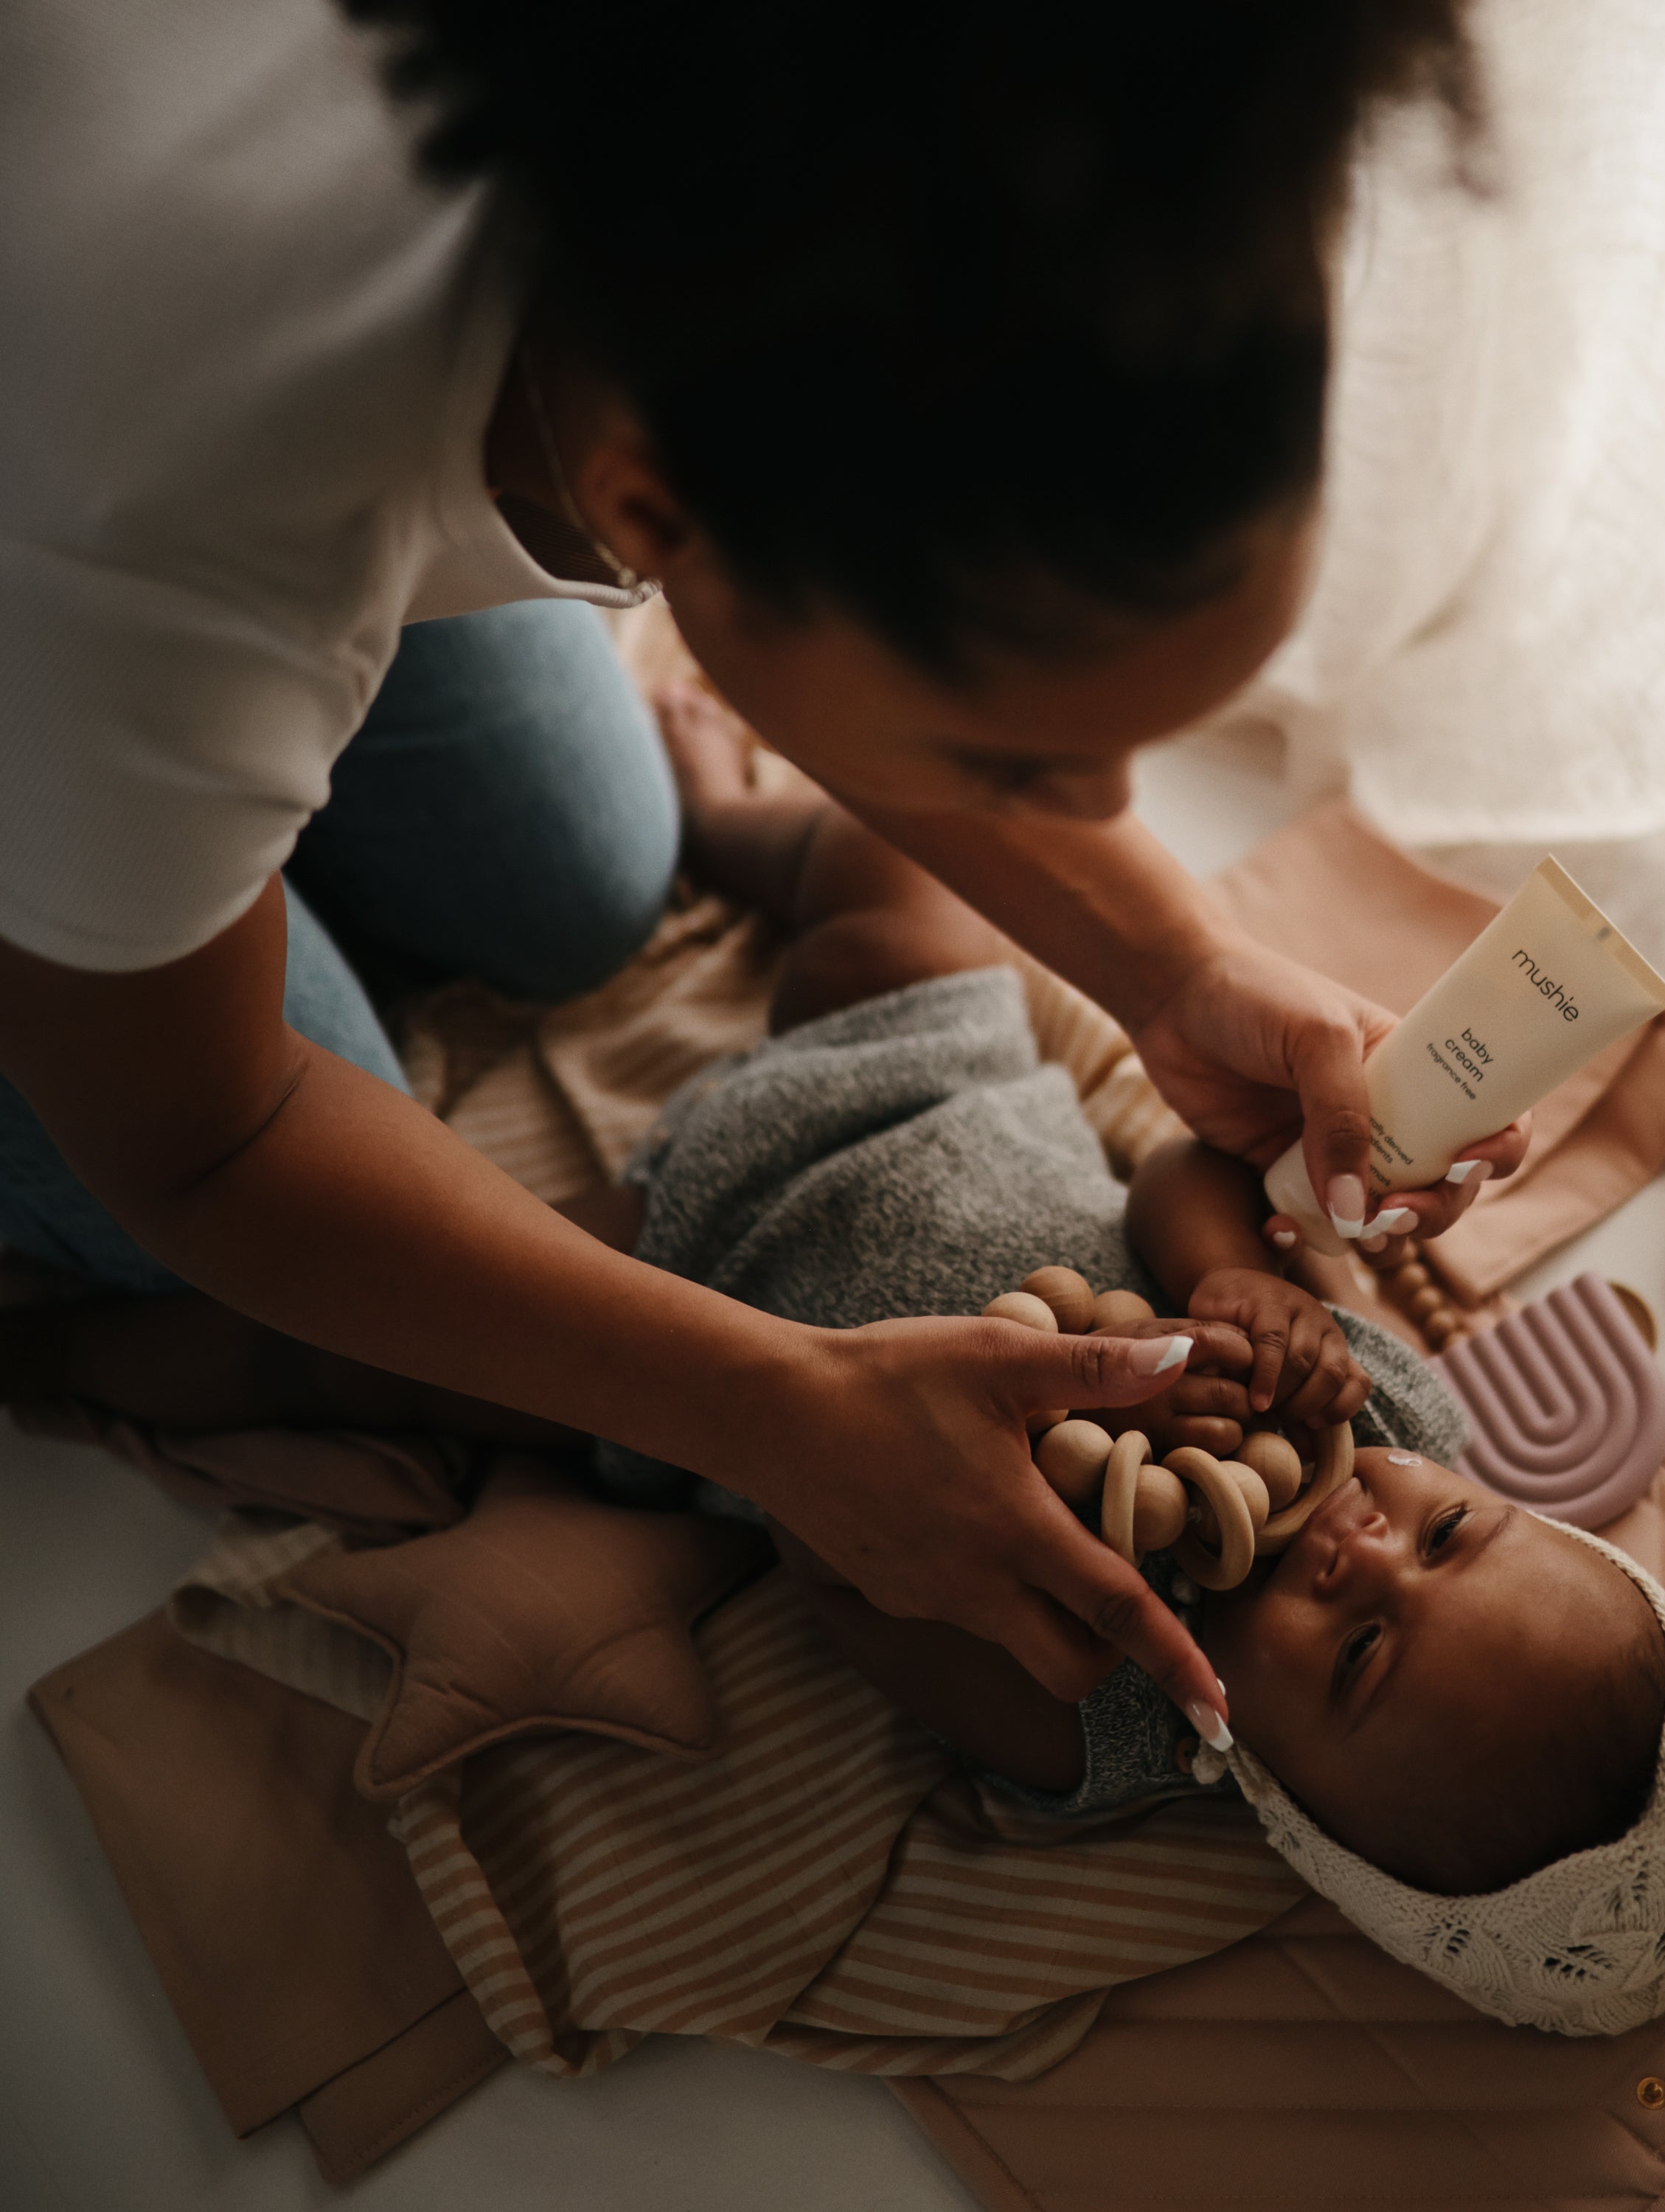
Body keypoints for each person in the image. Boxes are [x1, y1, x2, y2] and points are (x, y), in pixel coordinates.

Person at [0, 0, 1524, 1740]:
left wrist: (1173, 970)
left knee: (587, 882)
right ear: (658, 520)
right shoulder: (142, 513)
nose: (1097, 816)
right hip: (81, 513)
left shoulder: (897, 142)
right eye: (1009, 761)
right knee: (280, 1228)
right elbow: (214, 1139)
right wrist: (763, 1407)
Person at [0, 764, 1665, 2038]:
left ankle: (64, 1354)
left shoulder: (1101, 1710)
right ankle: (710, 812)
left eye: (1360, 1654)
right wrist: (1235, 1278)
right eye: (1450, 1534)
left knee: (340, 1337)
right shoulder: (1376, 1422)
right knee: (885, 872)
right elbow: (1169, 1185)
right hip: (931, 1084)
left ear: (1292, 1807)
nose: (1366, 1546)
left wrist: (1044, 1534)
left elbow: (842, 1569)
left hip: (683, 1286)